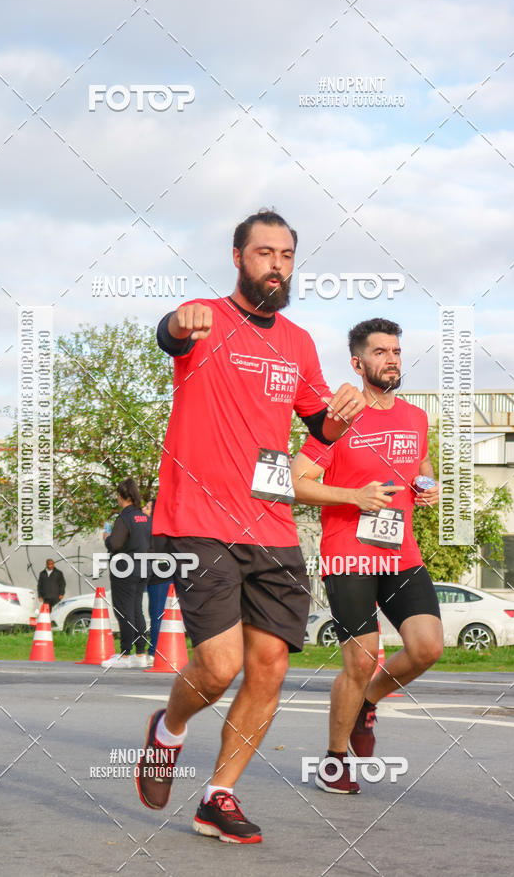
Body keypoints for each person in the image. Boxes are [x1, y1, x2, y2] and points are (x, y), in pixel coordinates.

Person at [134, 208, 365, 844]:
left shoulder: (296, 343)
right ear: (239, 256)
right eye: (265, 253)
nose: (277, 265)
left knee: (269, 666)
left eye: (287, 256)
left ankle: (219, 795)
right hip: (199, 519)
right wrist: (177, 323)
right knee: (216, 666)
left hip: (272, 525)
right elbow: (170, 334)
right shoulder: (202, 316)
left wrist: (341, 418)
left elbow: (319, 422)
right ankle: (168, 730)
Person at [290, 317, 443, 794]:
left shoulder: (415, 417)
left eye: (396, 351)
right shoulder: (337, 420)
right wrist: (354, 497)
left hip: (402, 554)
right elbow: (295, 483)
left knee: (427, 647)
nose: (391, 359)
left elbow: (420, 463)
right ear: (358, 363)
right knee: (360, 660)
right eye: (380, 352)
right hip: (349, 556)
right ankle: (335, 762)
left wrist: (428, 484)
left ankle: (368, 703)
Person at [101, 477, 151, 669]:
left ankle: (124, 655)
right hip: (143, 568)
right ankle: (140, 653)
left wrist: (106, 538)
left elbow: (115, 544)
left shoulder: (125, 518)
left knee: (124, 611)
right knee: (137, 610)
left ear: (121, 496)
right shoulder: (145, 518)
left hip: (124, 569)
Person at [141, 498, 171, 666]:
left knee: (157, 615)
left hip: (159, 578)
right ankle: (158, 650)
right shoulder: (165, 528)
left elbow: (154, 553)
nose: (143, 509)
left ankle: (154, 652)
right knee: (159, 615)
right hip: (164, 576)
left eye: (147, 507)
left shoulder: (153, 529)